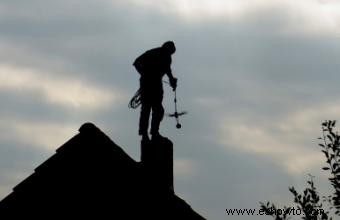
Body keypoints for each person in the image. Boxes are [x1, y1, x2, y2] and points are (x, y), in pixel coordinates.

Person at [133, 41, 177, 140]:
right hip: (147, 83)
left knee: (158, 109)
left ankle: (154, 132)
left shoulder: (167, 57)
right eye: (170, 52)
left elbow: (167, 70)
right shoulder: (153, 53)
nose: (170, 54)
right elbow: (136, 62)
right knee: (147, 108)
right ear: (167, 48)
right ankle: (144, 134)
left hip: (157, 83)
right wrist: (144, 74)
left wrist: (172, 80)